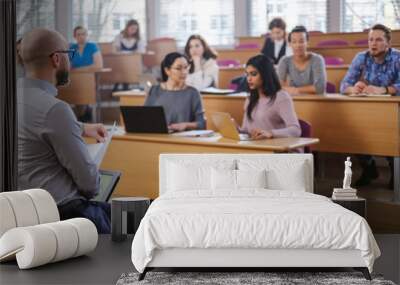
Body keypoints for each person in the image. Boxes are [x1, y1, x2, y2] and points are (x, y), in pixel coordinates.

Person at [18, 28, 111, 233]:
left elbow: (31, 122)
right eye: (69, 55)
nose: (71, 61)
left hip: (20, 214)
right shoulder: (56, 109)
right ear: (57, 59)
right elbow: (90, 185)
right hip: (65, 216)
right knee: (132, 220)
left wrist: (82, 127)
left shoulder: (12, 98)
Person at [340, 24, 399, 187]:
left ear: (388, 43)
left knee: (390, 134)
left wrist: (384, 89)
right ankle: (369, 168)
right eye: (371, 39)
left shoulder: (397, 58)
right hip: (367, 110)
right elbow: (344, 85)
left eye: (379, 40)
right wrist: (353, 88)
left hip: (393, 112)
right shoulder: (361, 57)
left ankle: (395, 171)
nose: (373, 43)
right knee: (354, 131)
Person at [241, 54, 301, 140]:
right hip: (259, 147)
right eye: (247, 74)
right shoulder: (250, 99)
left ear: (265, 74)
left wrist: (271, 133)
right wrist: (237, 130)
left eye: (253, 74)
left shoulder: (281, 97)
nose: (249, 79)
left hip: (278, 148)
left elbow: (296, 130)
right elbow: (246, 130)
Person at [144, 52, 206, 131]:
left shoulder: (193, 93)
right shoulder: (154, 90)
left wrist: (185, 125)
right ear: (167, 71)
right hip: (158, 137)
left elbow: (202, 124)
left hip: (182, 139)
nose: (184, 72)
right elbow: (145, 118)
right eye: (178, 68)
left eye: (186, 67)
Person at [278, 25, 326, 95]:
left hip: (314, 101)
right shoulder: (285, 61)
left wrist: (295, 90)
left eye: (301, 41)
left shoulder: (317, 59)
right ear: (290, 44)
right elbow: (278, 87)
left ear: (307, 43)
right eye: (294, 42)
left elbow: (320, 88)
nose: (298, 45)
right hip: (294, 101)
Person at [69, 26, 103, 122]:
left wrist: (80, 69)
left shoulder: (92, 46)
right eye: (78, 34)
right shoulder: (72, 48)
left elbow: (98, 65)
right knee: (75, 90)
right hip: (76, 81)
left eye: (83, 34)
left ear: (87, 35)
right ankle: (83, 115)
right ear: (75, 36)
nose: (81, 36)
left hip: (90, 79)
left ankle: (84, 116)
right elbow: (69, 66)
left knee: (83, 91)